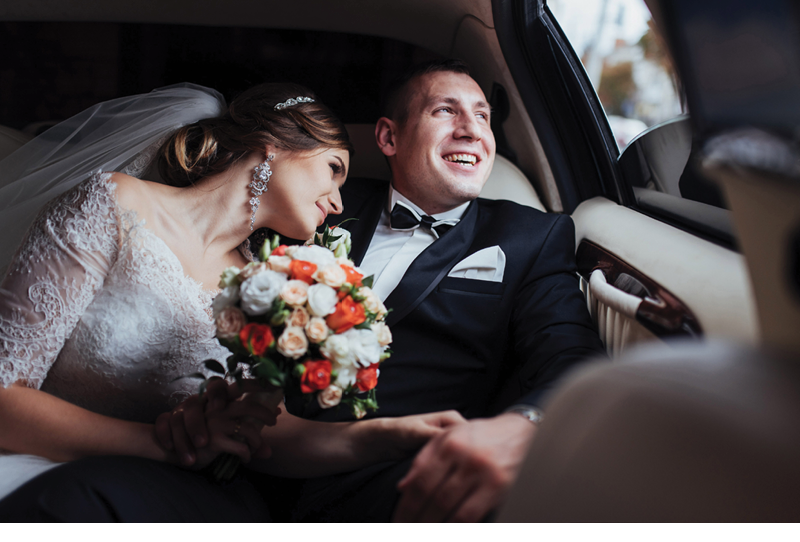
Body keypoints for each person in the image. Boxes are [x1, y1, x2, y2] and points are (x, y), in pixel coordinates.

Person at [0, 81, 462, 520]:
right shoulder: (115, 205)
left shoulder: (265, 286)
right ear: (272, 144)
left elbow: (269, 437)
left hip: (168, 497)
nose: (338, 203)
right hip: (46, 469)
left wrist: (389, 436)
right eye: (333, 169)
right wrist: (161, 446)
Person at [238, 59, 607, 521]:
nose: (472, 131)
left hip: (402, 482)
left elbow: (573, 357)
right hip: (248, 454)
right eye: (445, 111)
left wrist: (525, 425)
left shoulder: (531, 237)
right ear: (389, 137)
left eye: (482, 115)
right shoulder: (322, 200)